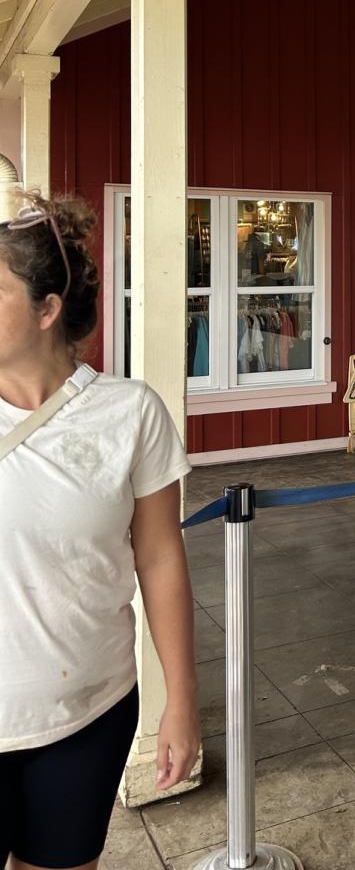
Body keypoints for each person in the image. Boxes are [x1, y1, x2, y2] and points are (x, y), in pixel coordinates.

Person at [0, 193, 199, 870]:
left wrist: (181, 701)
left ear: (47, 309)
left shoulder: (130, 414)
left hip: (87, 713)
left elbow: (160, 558)